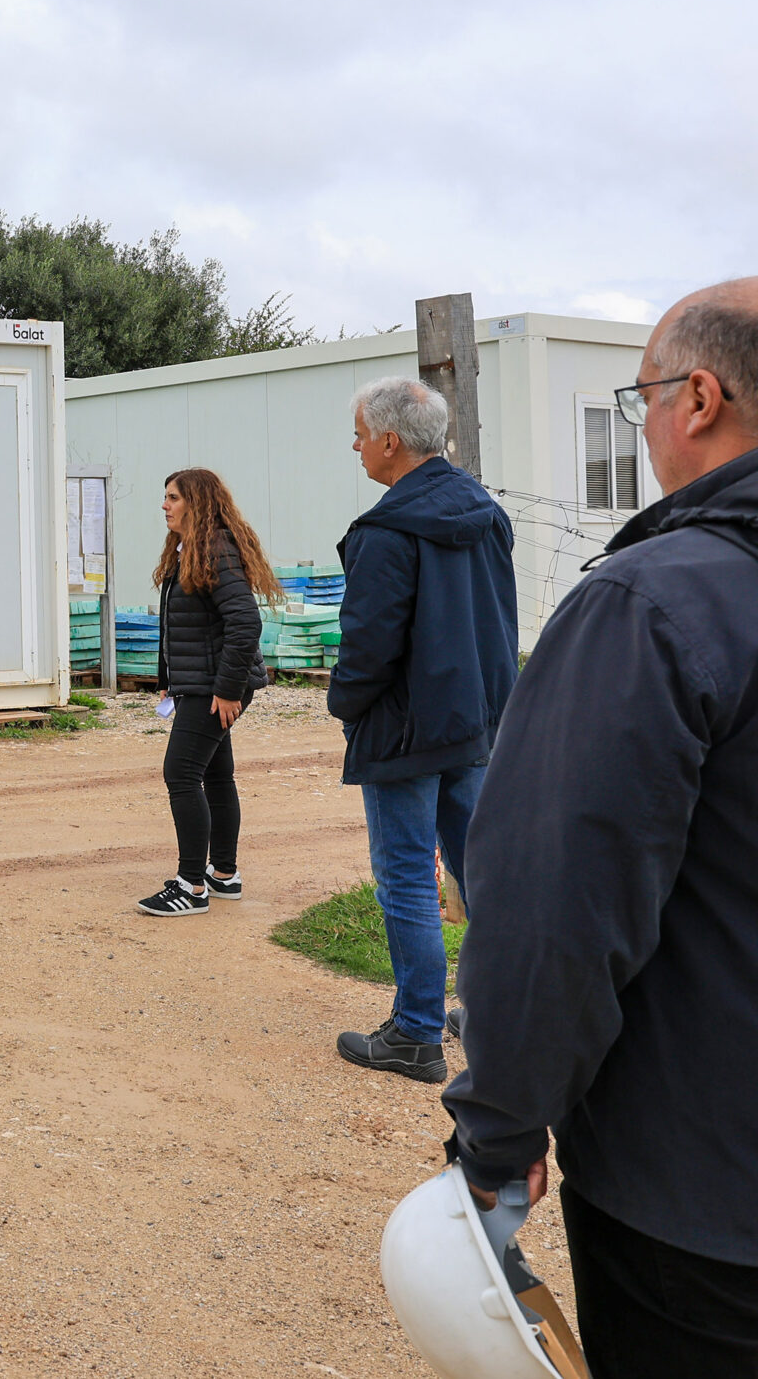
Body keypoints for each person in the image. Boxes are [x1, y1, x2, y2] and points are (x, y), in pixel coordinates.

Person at [442, 276, 758, 1375]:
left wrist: (498, 1134)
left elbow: (552, 908)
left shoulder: (653, 604)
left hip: (706, 1202)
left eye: (640, 394)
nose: (642, 421)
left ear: (697, 397)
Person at [326, 376, 517, 1082]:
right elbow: (501, 625)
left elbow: (368, 642)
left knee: (406, 877)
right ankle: (493, 1010)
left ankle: (414, 1032)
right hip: (474, 726)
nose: (354, 446)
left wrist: (346, 703)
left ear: (389, 440)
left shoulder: (387, 531)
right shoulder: (487, 515)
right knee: (481, 872)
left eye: (358, 432)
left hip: (403, 732)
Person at [134, 468, 274, 917]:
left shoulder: (216, 549)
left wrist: (229, 690)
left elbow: (245, 623)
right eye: (165, 496)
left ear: (197, 501)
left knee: (181, 773)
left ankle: (191, 885)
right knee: (215, 775)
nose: (165, 505)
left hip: (216, 687)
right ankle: (223, 875)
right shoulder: (188, 549)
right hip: (201, 684)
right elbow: (181, 623)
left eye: (173, 497)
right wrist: (167, 679)